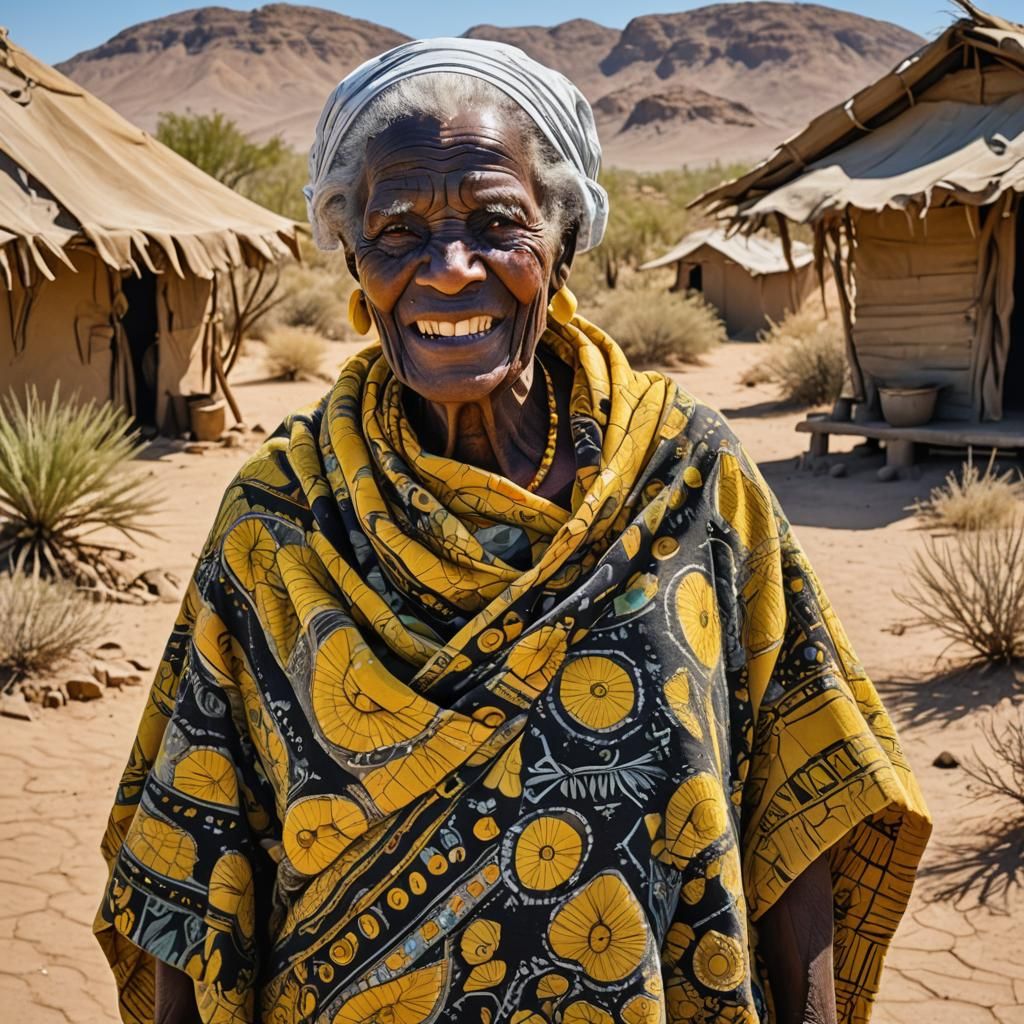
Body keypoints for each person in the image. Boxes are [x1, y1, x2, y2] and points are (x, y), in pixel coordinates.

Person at [94, 38, 930, 1024]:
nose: (449, 270)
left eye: (498, 222)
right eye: (397, 230)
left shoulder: (688, 475)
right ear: (354, 260)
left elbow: (800, 796)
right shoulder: (278, 521)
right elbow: (191, 864)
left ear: (562, 241)